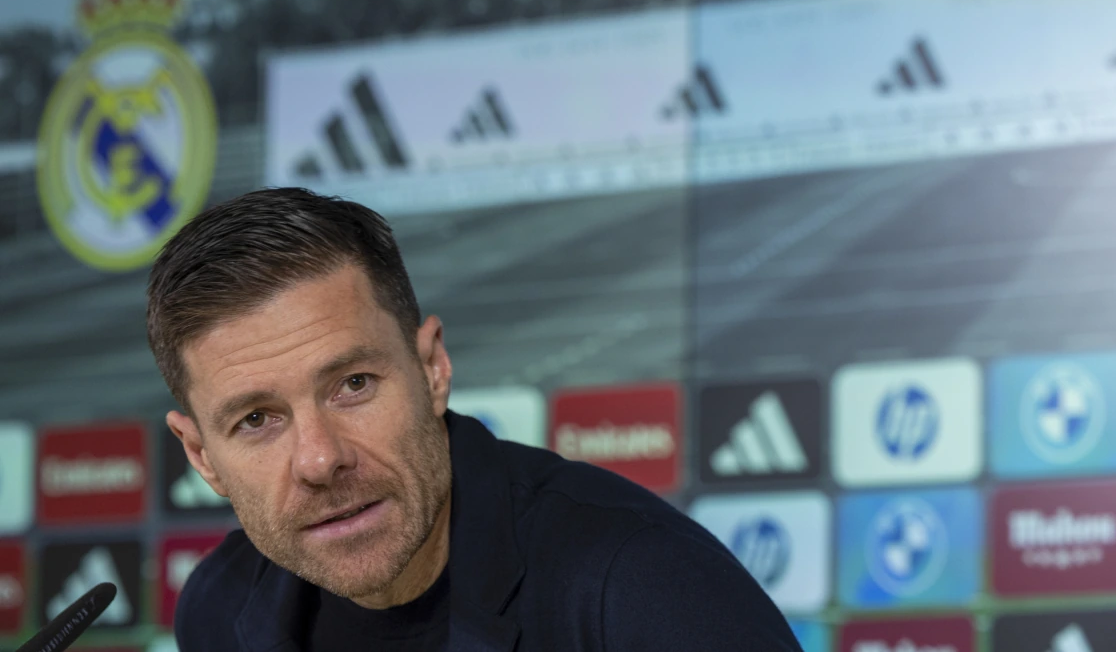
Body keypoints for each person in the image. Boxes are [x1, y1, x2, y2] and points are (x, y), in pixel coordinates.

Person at [148, 187, 804, 651]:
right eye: (256, 419)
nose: (320, 458)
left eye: (353, 384)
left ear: (432, 368)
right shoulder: (218, 607)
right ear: (202, 456)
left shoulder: (641, 588)